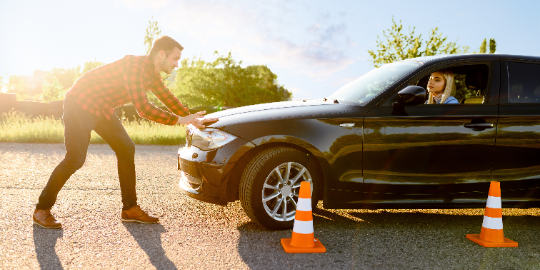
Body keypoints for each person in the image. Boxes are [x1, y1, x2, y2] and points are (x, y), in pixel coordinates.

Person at [33, 36, 218, 229]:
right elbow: (143, 109)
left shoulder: (152, 75)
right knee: (75, 159)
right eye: (175, 58)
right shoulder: (134, 67)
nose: (177, 64)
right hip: (80, 104)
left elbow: (167, 97)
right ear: (161, 54)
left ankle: (130, 209)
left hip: (102, 108)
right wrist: (180, 120)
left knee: (126, 149)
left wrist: (191, 118)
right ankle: (41, 210)